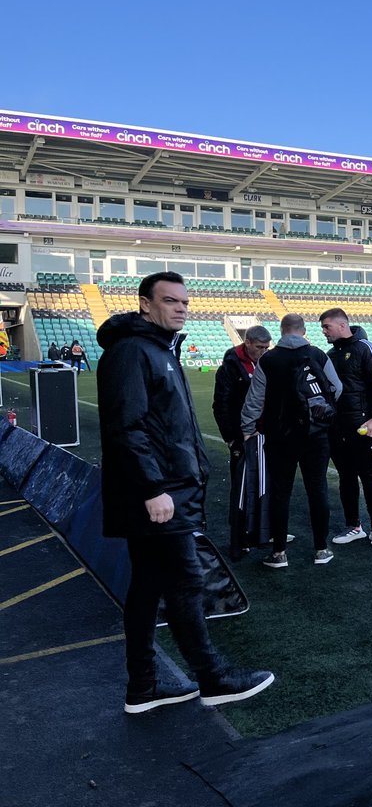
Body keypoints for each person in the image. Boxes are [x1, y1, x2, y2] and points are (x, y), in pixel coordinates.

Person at [96, 271, 274, 714]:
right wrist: (154, 488)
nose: (180, 307)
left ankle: (143, 687)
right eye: (170, 300)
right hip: (158, 495)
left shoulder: (158, 349)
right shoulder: (133, 351)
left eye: (184, 302)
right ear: (145, 304)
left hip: (167, 490)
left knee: (148, 586)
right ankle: (212, 677)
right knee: (185, 580)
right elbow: (127, 426)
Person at [240, 314, 342, 568]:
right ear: (303, 330)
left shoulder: (269, 359)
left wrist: (247, 428)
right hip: (315, 436)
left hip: (280, 436)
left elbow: (255, 399)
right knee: (317, 490)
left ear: (282, 331)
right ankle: (321, 548)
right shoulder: (318, 354)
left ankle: (279, 553)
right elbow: (336, 388)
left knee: (281, 492)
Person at [319, 308, 372, 546]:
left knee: (370, 477)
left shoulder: (366, 349)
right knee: (346, 477)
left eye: (326, 327)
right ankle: (354, 526)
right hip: (337, 429)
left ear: (341, 325)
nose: (324, 332)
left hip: (364, 427)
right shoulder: (330, 355)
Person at [213, 326, 273, 552]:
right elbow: (221, 405)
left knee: (266, 484)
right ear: (247, 343)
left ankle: (264, 531)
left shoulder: (266, 363)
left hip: (265, 435)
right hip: (242, 437)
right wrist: (231, 439)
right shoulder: (230, 367)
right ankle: (239, 538)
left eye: (267, 347)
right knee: (241, 487)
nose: (264, 351)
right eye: (260, 347)